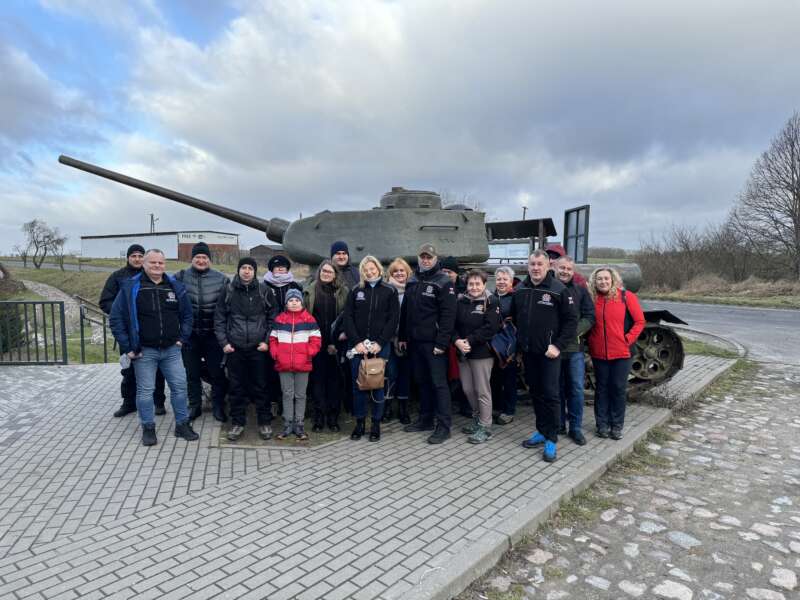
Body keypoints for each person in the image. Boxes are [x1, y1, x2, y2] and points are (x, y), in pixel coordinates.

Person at [109, 249, 199, 446]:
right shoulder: (131, 287)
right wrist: (127, 347)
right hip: (144, 351)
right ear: (144, 264)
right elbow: (116, 319)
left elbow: (187, 315)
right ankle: (148, 428)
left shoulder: (175, 286)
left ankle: (182, 424)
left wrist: (182, 338)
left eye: (161, 263)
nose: (157, 266)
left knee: (180, 387)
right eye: (153, 262)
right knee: (145, 391)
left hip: (172, 350)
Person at [513, 249, 577, 462]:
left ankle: (552, 438)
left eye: (540, 264)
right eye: (532, 264)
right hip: (529, 352)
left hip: (549, 353)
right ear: (528, 266)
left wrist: (558, 346)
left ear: (548, 265)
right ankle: (541, 430)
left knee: (551, 395)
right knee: (536, 393)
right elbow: (515, 318)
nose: (536, 268)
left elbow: (571, 322)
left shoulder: (559, 290)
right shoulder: (521, 289)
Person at [214, 257, 279, 441]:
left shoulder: (264, 290)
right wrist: (224, 343)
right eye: (244, 267)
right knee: (236, 387)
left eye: (250, 268)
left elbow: (273, 318)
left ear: (255, 271)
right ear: (238, 270)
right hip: (234, 348)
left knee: (261, 386)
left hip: (259, 348)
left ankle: (264, 422)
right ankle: (237, 423)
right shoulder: (228, 290)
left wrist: (267, 342)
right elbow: (219, 318)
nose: (247, 271)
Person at [99, 244, 166, 418]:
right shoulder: (117, 277)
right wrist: (125, 313)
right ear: (128, 258)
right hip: (129, 334)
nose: (137, 259)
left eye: (140, 256)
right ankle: (129, 403)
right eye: (133, 256)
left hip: (150, 332)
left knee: (157, 369)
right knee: (129, 370)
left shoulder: (152, 276)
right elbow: (105, 302)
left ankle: (159, 402)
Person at [399, 243, 457, 444]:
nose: (425, 260)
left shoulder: (444, 281)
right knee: (422, 381)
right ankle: (425, 419)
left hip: (434, 343)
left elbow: (449, 316)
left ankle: (444, 426)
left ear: (435, 259)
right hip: (415, 341)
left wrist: (441, 343)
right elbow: (405, 311)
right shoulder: (412, 279)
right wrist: (403, 336)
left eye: (429, 257)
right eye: (422, 256)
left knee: (438, 384)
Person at [343, 255, 399, 442]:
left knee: (377, 385)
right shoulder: (355, 290)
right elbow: (348, 317)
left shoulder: (389, 290)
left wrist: (380, 342)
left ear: (378, 269)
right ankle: (359, 423)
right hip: (358, 346)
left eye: (372, 268)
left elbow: (393, 319)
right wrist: (357, 342)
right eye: (365, 270)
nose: (369, 272)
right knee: (357, 386)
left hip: (379, 347)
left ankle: (375, 423)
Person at [587, 266, 645, 440]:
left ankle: (616, 426)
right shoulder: (592, 299)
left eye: (606, 278)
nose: (603, 281)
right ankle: (602, 425)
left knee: (618, 389)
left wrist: (627, 339)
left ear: (612, 279)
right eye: (599, 279)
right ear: (594, 281)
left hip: (622, 353)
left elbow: (640, 321)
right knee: (602, 389)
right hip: (599, 353)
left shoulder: (626, 297)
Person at [175, 242, 229, 422]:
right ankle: (194, 406)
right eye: (197, 257)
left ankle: (218, 406)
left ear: (209, 259)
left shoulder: (221, 279)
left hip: (213, 335)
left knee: (217, 374)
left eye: (204, 257)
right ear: (192, 259)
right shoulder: (180, 277)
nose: (201, 260)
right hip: (189, 335)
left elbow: (228, 306)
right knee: (192, 373)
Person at [453, 269, 501, 444]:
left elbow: (491, 328)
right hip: (463, 352)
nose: (474, 287)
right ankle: (477, 418)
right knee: (468, 389)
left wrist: (469, 340)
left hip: (482, 353)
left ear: (484, 284)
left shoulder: (491, 301)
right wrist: (457, 341)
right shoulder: (460, 301)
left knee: (482, 390)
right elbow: (452, 324)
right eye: (471, 284)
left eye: (477, 284)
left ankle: (486, 426)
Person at [554, 255, 596, 445]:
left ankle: (576, 428)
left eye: (569, 269)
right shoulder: (549, 289)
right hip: (553, 349)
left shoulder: (580, 291)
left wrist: (573, 332)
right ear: (555, 268)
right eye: (562, 268)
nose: (565, 271)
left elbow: (590, 316)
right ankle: (559, 424)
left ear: (573, 271)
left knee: (576, 389)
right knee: (556, 388)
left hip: (574, 349)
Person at [270, 288, 321, 440]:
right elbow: (273, 339)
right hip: (284, 364)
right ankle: (288, 423)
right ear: (286, 303)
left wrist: (308, 353)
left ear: (301, 302)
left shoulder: (309, 320)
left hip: (303, 364)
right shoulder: (280, 320)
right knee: (287, 394)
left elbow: (316, 340)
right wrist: (276, 354)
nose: (294, 303)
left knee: (300, 395)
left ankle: (299, 424)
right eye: (291, 300)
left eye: (297, 300)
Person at [303, 259, 348, 432]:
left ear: (335, 274)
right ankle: (319, 416)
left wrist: (336, 342)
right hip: (316, 343)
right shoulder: (310, 290)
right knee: (317, 381)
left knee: (335, 382)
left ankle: (333, 417)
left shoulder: (343, 292)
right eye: (323, 271)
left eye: (329, 271)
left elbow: (347, 316)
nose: (326, 274)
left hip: (336, 344)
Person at [263, 254, 302, 414]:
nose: (280, 269)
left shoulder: (295, 286)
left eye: (283, 267)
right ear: (271, 269)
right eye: (276, 267)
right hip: (272, 333)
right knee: (272, 370)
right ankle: (274, 401)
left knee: (292, 369)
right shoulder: (264, 286)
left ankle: (293, 401)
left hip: (292, 334)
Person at [384, 257, 412, 424]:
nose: (399, 273)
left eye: (402, 270)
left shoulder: (412, 290)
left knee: (404, 374)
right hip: (389, 339)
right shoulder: (387, 290)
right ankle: (387, 406)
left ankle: (403, 408)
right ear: (391, 274)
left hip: (407, 340)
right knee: (390, 373)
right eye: (396, 271)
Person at [490, 266, 518, 425]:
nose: (501, 282)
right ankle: (497, 406)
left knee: (509, 379)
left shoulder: (515, 299)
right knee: (495, 378)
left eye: (505, 279)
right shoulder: (490, 297)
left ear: (511, 281)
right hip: (492, 345)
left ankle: (509, 410)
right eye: (499, 279)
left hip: (509, 344)